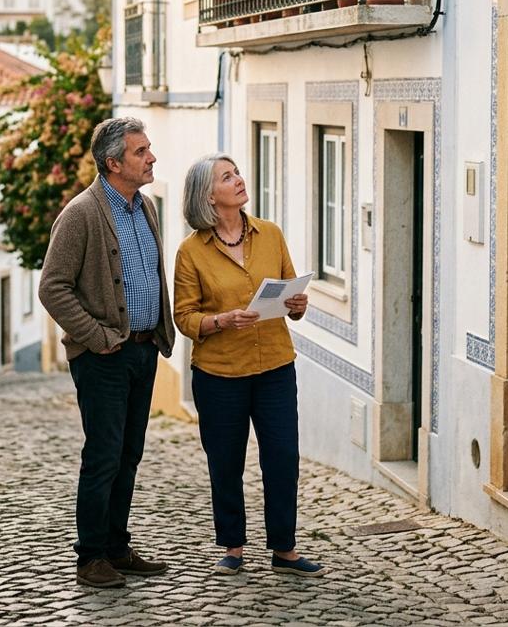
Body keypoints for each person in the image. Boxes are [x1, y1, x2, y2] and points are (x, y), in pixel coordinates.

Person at [173, 152, 326, 577]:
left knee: (282, 457)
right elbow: (183, 317)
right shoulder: (191, 252)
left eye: (237, 171)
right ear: (208, 196)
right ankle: (233, 546)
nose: (239, 179)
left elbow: (293, 301)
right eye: (227, 176)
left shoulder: (271, 235)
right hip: (219, 375)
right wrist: (222, 320)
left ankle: (284, 549)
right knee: (225, 462)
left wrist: (297, 305)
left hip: (275, 365)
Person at [38, 117, 176, 589]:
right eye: (141, 152)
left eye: (149, 149)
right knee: (103, 455)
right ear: (113, 162)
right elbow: (52, 287)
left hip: (143, 350)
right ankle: (91, 555)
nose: (151, 157)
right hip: (103, 356)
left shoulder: (147, 207)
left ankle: (118, 546)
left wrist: (157, 331)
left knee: (130, 453)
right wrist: (97, 337)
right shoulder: (80, 214)